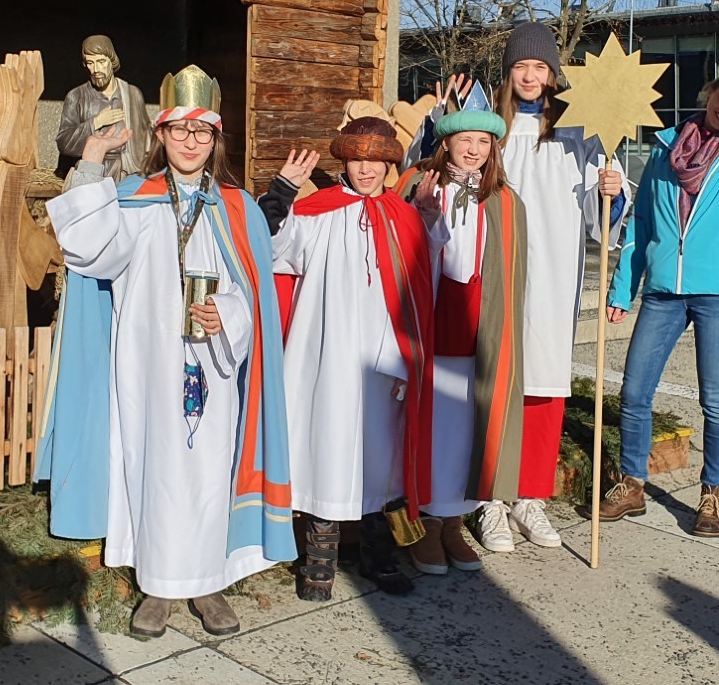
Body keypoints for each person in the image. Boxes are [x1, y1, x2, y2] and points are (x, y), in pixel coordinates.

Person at [38, 64, 295, 637]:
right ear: (162, 133)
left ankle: (208, 584)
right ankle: (156, 587)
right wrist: (91, 160)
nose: (191, 142)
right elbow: (86, 248)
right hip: (146, 363)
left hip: (215, 365)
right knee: (151, 466)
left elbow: (254, 291)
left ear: (215, 138)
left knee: (209, 470)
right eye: (180, 130)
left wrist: (228, 312)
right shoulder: (133, 198)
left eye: (202, 132)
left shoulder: (238, 208)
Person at [597, 25, 719, 537]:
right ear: (709, 93)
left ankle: (712, 495)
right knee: (634, 390)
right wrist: (623, 289)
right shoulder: (664, 151)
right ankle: (631, 484)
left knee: (716, 399)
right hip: (664, 290)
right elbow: (641, 225)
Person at [258, 117, 446, 602]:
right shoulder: (316, 213)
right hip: (324, 354)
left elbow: (423, 283)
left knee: (380, 458)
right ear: (345, 160)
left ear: (389, 165)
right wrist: (282, 192)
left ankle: (377, 556)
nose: (366, 170)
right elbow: (270, 247)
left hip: (385, 360)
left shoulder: (404, 218)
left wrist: (428, 220)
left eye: (376, 161)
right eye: (358, 159)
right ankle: (319, 558)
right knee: (326, 446)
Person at [467, 22, 629, 553]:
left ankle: (530, 496)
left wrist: (611, 191)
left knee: (544, 381)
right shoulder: (490, 130)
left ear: (553, 73)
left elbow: (602, 215)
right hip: (499, 269)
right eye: (521, 66)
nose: (531, 76)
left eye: (540, 67)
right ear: (508, 72)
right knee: (497, 382)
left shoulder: (578, 131)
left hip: (554, 272)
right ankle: (491, 499)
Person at [395, 104, 527, 574]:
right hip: (429, 320)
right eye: (465, 139)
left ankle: (453, 520)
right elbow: (397, 250)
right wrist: (423, 214)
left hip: (478, 326)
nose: (473, 150)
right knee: (431, 421)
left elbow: (511, 274)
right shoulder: (416, 183)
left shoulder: (504, 199)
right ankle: (425, 520)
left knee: (467, 422)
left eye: (483, 142)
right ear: (446, 142)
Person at [56, 34, 150, 181]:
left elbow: (147, 137)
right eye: (90, 63)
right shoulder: (76, 96)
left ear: (112, 61)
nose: (95, 69)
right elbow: (64, 142)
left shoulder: (132, 94)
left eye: (101, 62)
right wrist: (96, 122)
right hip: (92, 173)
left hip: (129, 174)